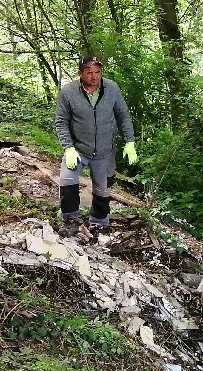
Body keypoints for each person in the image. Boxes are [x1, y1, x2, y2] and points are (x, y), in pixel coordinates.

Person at [54, 56, 138, 236]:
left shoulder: (112, 88)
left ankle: (99, 223)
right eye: (89, 73)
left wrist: (130, 142)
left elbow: (123, 116)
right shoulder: (68, 92)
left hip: (105, 151)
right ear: (80, 73)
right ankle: (71, 219)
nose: (94, 76)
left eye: (98, 72)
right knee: (68, 182)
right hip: (78, 148)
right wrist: (68, 147)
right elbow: (61, 121)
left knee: (103, 188)